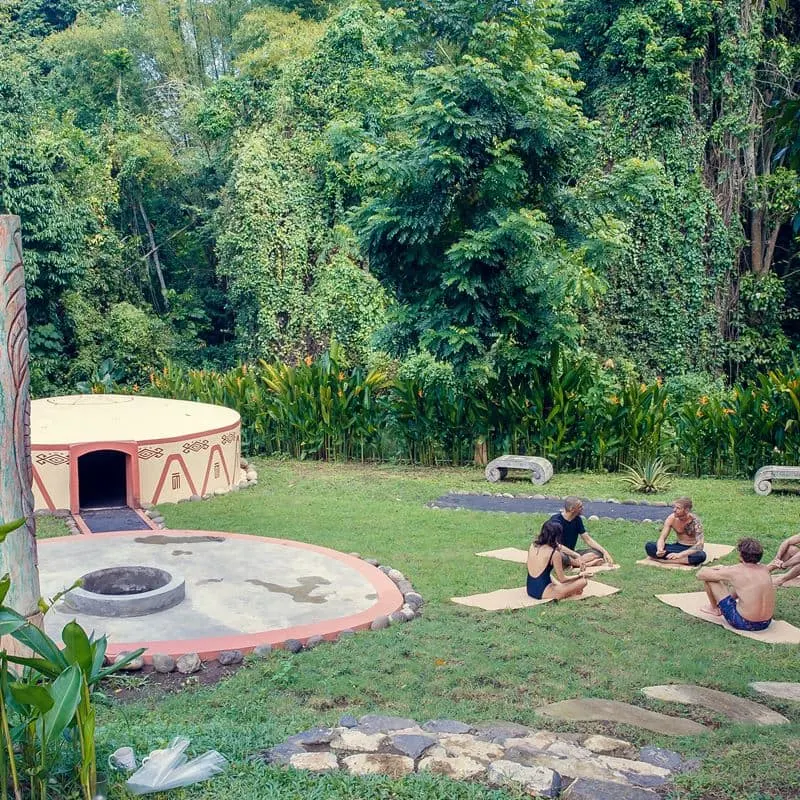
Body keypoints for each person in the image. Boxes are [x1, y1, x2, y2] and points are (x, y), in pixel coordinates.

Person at [696, 537, 775, 631]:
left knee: (710, 579)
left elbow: (700, 574)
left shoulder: (736, 571)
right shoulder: (764, 569)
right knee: (743, 585)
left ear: (741, 555)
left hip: (744, 623)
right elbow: (741, 573)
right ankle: (719, 606)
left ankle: (714, 609)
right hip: (765, 623)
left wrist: (714, 568)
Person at [526, 520, 589, 600]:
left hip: (530, 589)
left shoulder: (533, 545)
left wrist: (576, 555)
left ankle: (566, 589)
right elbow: (562, 579)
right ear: (557, 536)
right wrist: (579, 576)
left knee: (550, 576)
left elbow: (558, 546)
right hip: (542, 592)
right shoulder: (554, 554)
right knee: (583, 581)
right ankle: (570, 591)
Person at [549, 497, 615, 570]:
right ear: (572, 509)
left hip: (572, 554)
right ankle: (585, 564)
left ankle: (573, 564)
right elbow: (556, 545)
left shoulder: (577, 520)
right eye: (580, 507)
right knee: (560, 556)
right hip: (558, 552)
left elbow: (588, 539)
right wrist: (576, 555)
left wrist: (605, 552)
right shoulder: (556, 521)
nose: (582, 508)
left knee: (598, 552)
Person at [644, 496, 706, 565]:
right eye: (674, 507)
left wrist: (679, 555)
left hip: (690, 549)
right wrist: (660, 549)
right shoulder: (671, 518)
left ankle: (664, 561)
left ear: (686, 510)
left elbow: (700, 545)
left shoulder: (695, 521)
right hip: (677, 547)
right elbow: (662, 538)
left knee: (701, 556)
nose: (674, 510)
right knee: (650, 546)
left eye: (678, 508)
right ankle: (679, 560)